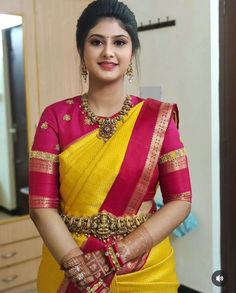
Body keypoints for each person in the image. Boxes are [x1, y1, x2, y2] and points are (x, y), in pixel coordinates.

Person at [29, 0, 192, 292]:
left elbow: (180, 200)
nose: (108, 52)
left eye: (119, 42)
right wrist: (77, 266)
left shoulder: (158, 118)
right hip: (69, 270)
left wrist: (115, 256)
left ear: (131, 52)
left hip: (144, 268)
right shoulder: (54, 118)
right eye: (96, 42)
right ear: (81, 51)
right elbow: (42, 207)